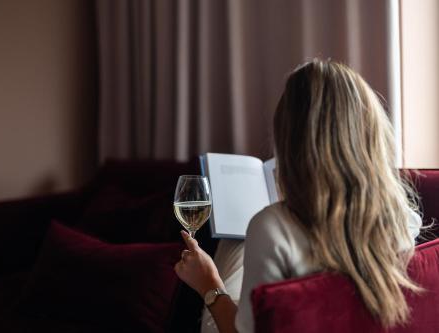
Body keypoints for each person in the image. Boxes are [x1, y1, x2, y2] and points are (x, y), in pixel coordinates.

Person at [174, 59, 423, 333]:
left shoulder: (272, 228)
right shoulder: (402, 219)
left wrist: (209, 284)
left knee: (232, 248)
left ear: (289, 137)